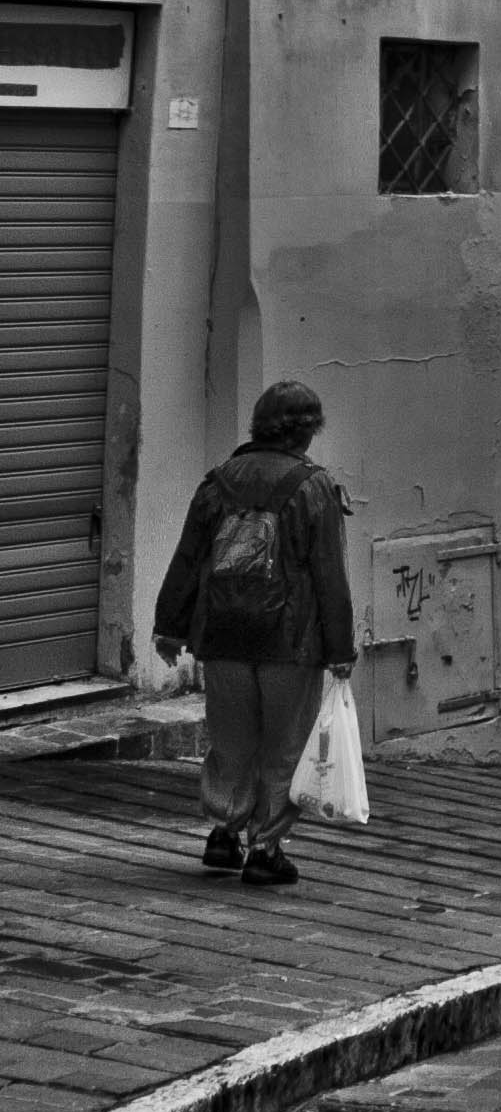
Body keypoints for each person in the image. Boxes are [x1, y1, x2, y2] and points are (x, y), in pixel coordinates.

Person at [153, 379, 356, 887]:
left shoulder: (217, 482)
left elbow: (188, 558)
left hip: (221, 635)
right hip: (291, 641)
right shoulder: (314, 487)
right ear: (306, 432)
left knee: (231, 738)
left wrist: (169, 627)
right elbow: (330, 574)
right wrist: (340, 648)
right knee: (284, 744)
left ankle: (223, 832)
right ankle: (265, 849)